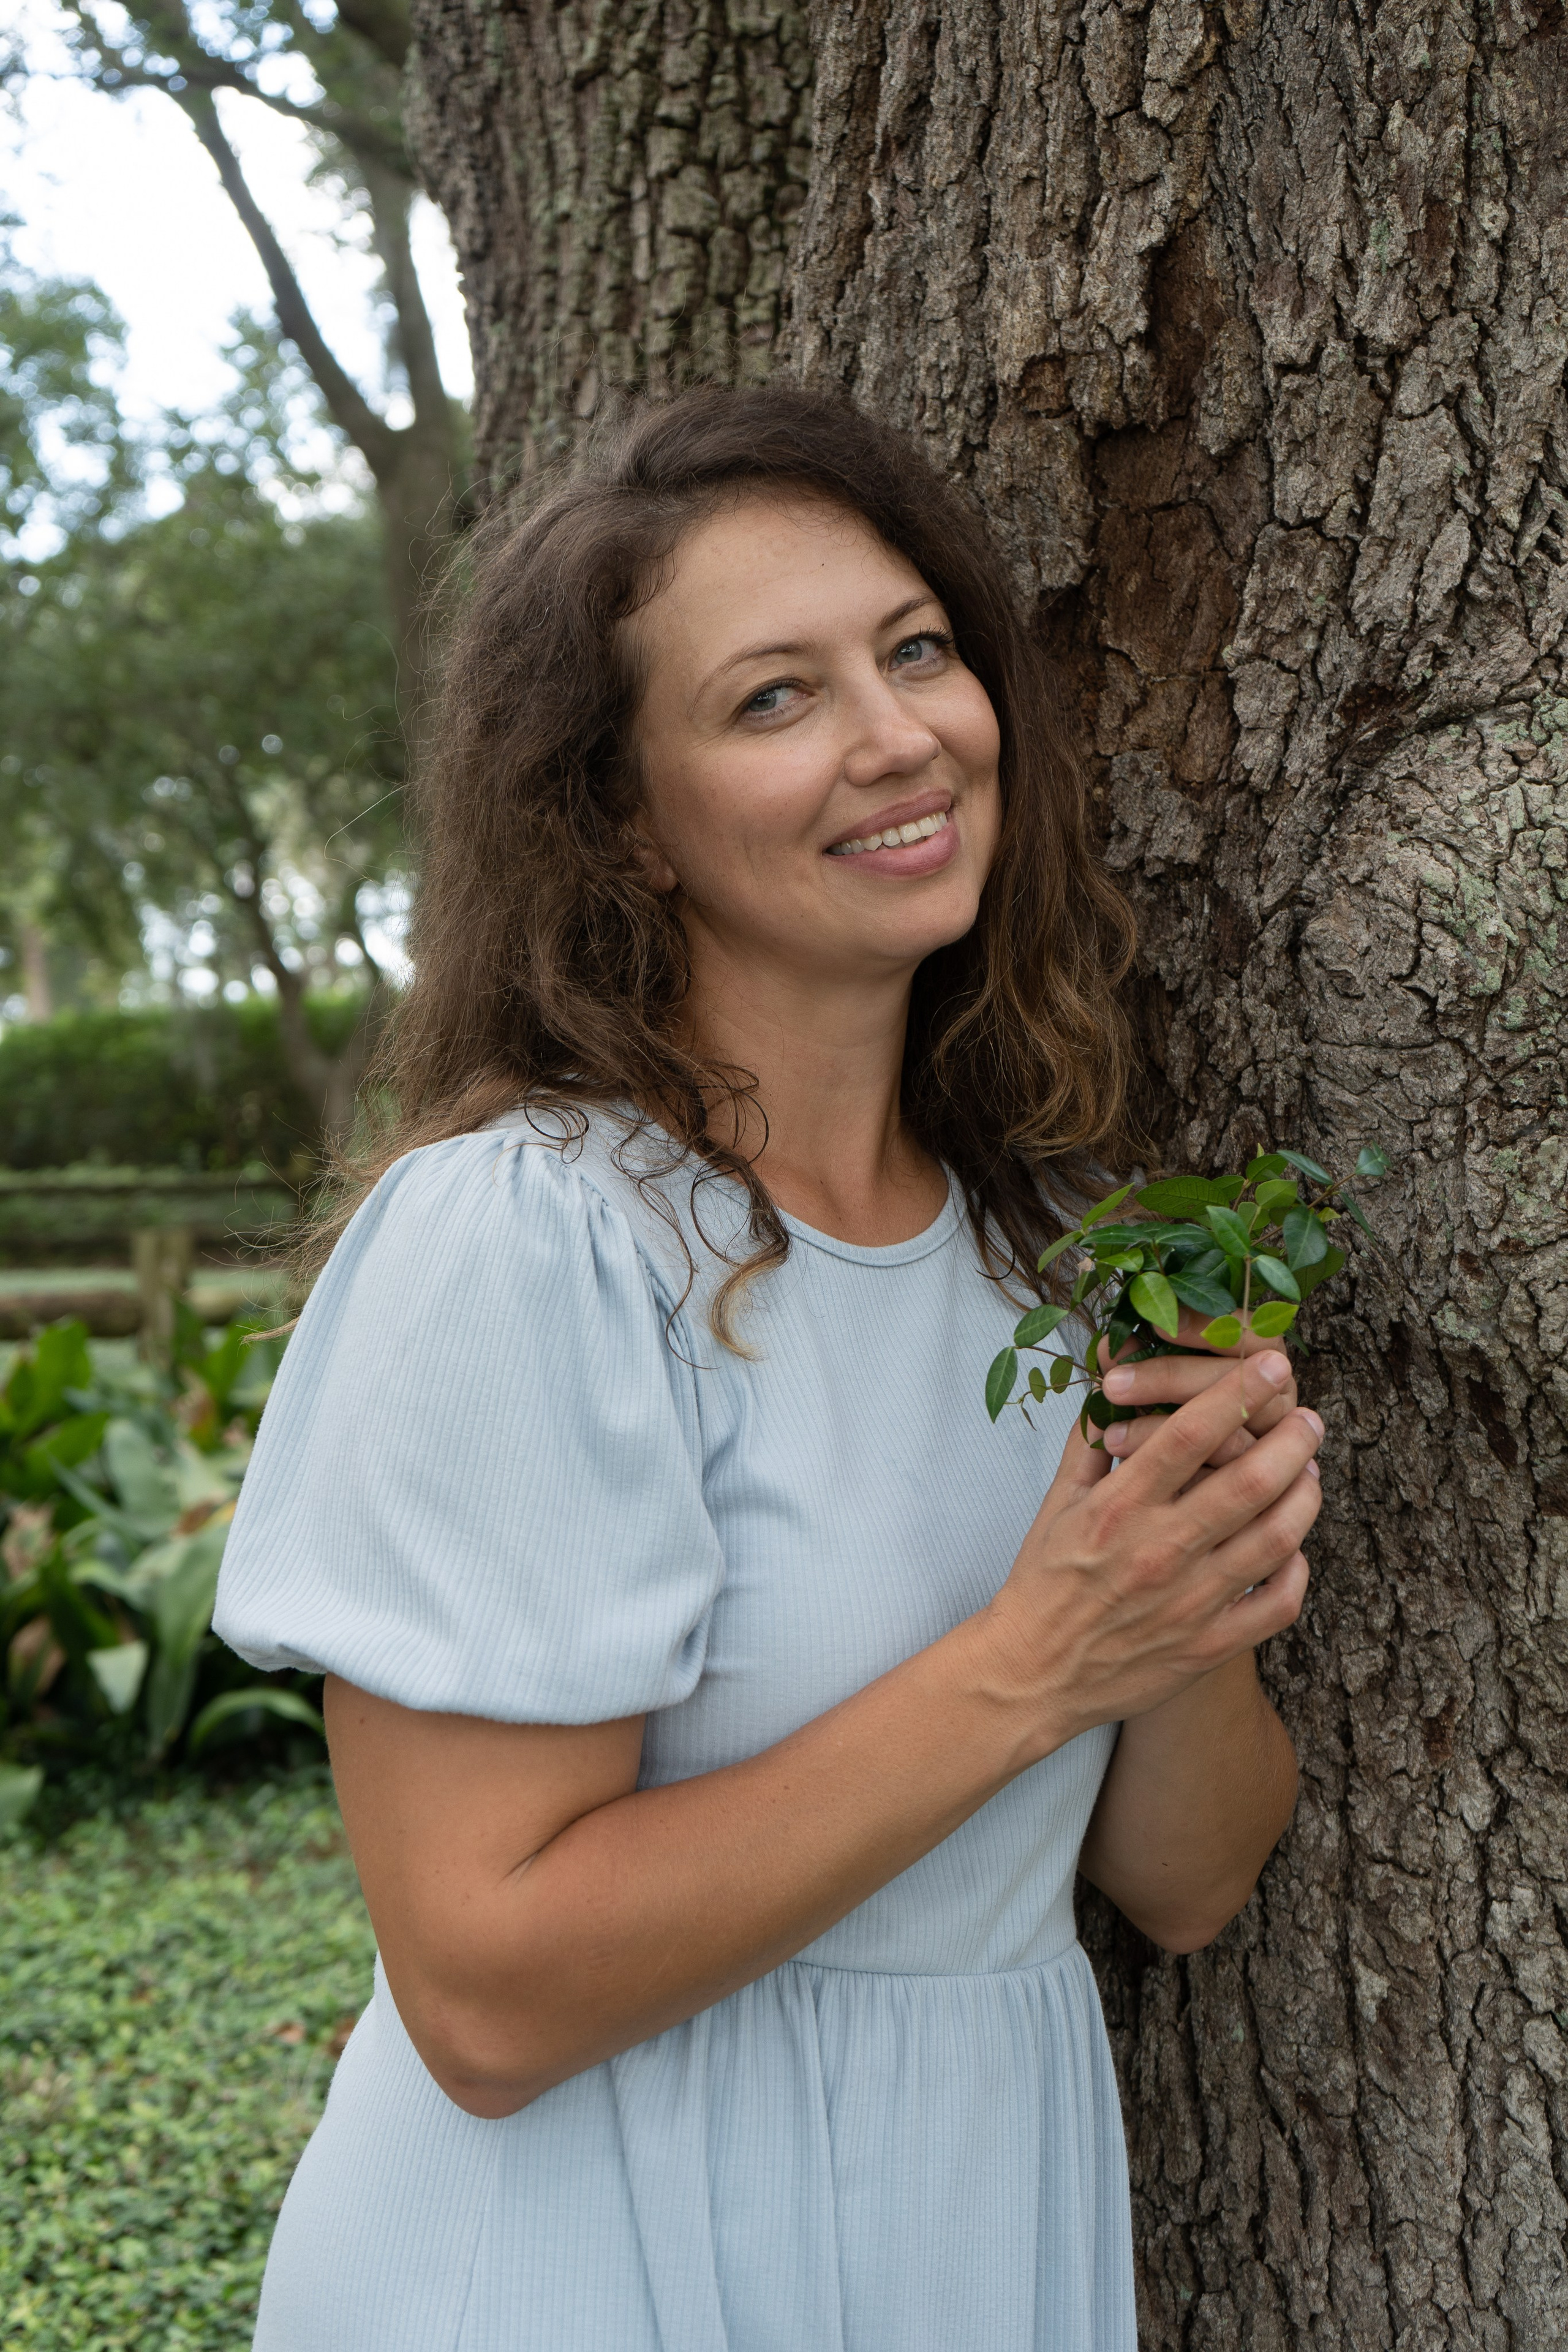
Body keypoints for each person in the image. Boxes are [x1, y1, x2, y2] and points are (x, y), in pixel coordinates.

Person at [214, 383, 1319, 2352]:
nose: (899, 736)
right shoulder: (536, 1234)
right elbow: (483, 1996)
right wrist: (1038, 1657)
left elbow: (1185, 1881)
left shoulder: (1056, 1237)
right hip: (581, 2248)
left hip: (968, 2219)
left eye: (914, 652)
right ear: (624, 826)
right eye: (774, 698)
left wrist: (1186, 1579)